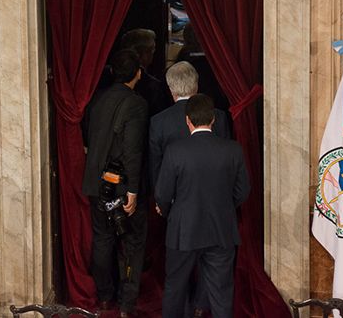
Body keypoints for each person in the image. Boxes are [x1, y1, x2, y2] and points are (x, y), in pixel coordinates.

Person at [155, 94, 250, 318]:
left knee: (175, 289)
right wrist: (225, 206)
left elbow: (162, 194)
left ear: (187, 120)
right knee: (221, 293)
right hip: (221, 230)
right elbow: (243, 190)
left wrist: (170, 212)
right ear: (213, 119)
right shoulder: (233, 149)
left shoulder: (175, 150)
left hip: (182, 231)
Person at [149, 62, 231, 317]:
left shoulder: (158, 122)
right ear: (196, 85)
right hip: (217, 210)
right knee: (215, 270)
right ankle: (200, 307)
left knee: (176, 274)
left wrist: (162, 203)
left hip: (178, 210)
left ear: (171, 89)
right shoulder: (220, 116)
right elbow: (227, 164)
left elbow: (156, 168)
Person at [82, 49, 149, 318]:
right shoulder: (136, 104)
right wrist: (133, 190)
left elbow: (88, 138)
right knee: (132, 243)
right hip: (122, 187)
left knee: (102, 239)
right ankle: (126, 304)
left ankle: (105, 298)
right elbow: (133, 151)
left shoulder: (96, 99)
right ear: (138, 73)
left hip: (96, 184)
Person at [121, 28, 172, 117]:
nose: (153, 54)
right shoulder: (152, 86)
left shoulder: (112, 77)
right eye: (152, 51)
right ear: (144, 53)